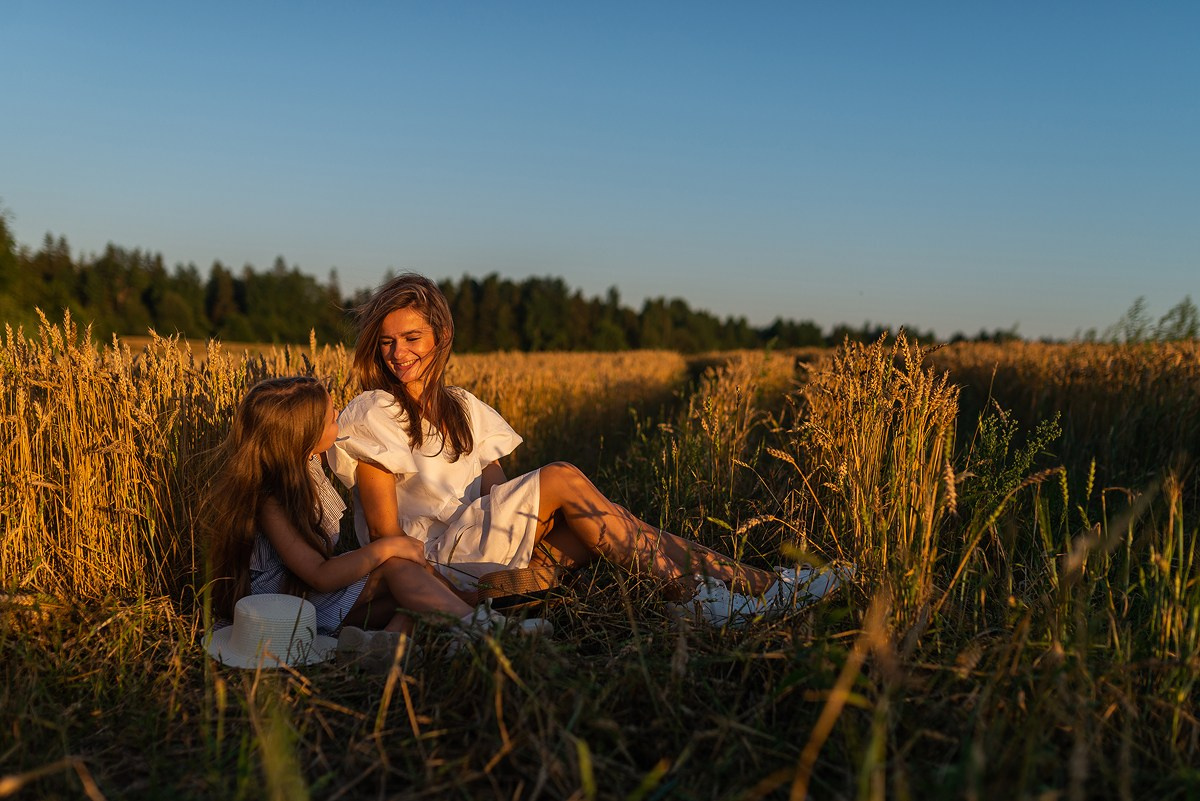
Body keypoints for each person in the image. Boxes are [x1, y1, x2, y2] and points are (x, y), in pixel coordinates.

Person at [328, 273, 840, 627]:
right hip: (430, 563)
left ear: (440, 337)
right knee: (563, 477)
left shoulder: (464, 407)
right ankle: (691, 598)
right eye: (387, 342)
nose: (399, 353)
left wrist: (546, 527)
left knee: (614, 520)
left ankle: (768, 585)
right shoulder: (374, 412)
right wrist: (439, 585)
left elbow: (499, 500)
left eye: (411, 337)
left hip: (481, 549)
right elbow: (384, 536)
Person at [202, 375, 542, 669]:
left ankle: (386, 647)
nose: (339, 416)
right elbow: (320, 575)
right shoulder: (271, 502)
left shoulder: (307, 469)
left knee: (417, 593)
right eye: (329, 418)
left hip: (310, 595)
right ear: (302, 437)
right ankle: (482, 628)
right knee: (397, 565)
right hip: (289, 609)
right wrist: (387, 546)